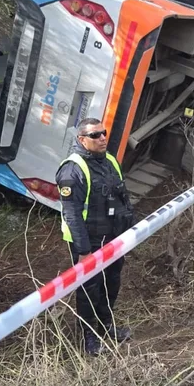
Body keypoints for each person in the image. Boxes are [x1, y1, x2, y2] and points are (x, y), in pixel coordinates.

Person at [56, 117, 136, 356]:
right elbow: (72, 215)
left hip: (113, 238)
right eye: (95, 135)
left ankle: (106, 326)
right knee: (90, 288)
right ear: (81, 139)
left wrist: (127, 228)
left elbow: (122, 196)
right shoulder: (72, 170)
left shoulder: (110, 159)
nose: (102, 138)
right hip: (88, 242)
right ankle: (89, 337)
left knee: (112, 282)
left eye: (103, 133)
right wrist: (83, 253)